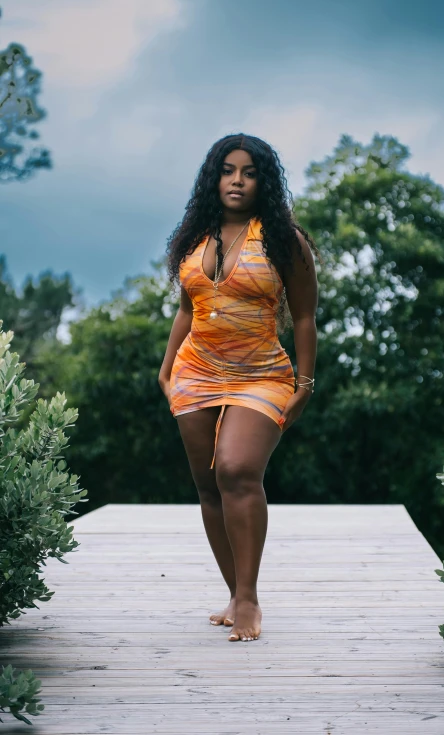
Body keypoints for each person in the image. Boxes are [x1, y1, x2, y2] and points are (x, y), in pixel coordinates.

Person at [158, 133, 319, 642]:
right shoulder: (193, 237)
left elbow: (306, 316)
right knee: (208, 486)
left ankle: (248, 600)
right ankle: (234, 592)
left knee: (237, 469)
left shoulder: (283, 240)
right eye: (228, 170)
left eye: (249, 173)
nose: (237, 180)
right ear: (214, 176)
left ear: (262, 181)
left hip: (262, 374)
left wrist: (306, 382)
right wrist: (165, 371)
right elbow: (188, 308)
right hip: (194, 372)